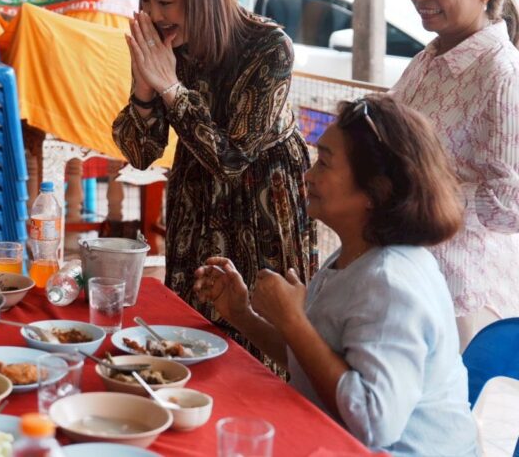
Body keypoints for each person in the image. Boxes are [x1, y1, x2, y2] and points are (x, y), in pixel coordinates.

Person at [194, 95, 477, 456]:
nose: (308, 175)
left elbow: (374, 424)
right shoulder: (355, 255)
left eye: (324, 163)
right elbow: (316, 364)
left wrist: (293, 321)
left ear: (376, 190)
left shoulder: (391, 284)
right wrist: (242, 314)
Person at [112, 0, 315, 364]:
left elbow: (232, 158)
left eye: (165, 2)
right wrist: (145, 89)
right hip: (196, 194)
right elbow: (141, 153)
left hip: (264, 201)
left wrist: (169, 88)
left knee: (265, 341)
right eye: (145, 1)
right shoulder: (167, 44)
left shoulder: (268, 47)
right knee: (189, 331)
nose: (154, 15)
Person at [392, 0, 519, 349]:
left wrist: (417, 196)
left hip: (458, 290)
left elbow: (511, 204)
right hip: (403, 270)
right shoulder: (427, 58)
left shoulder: (502, 74)